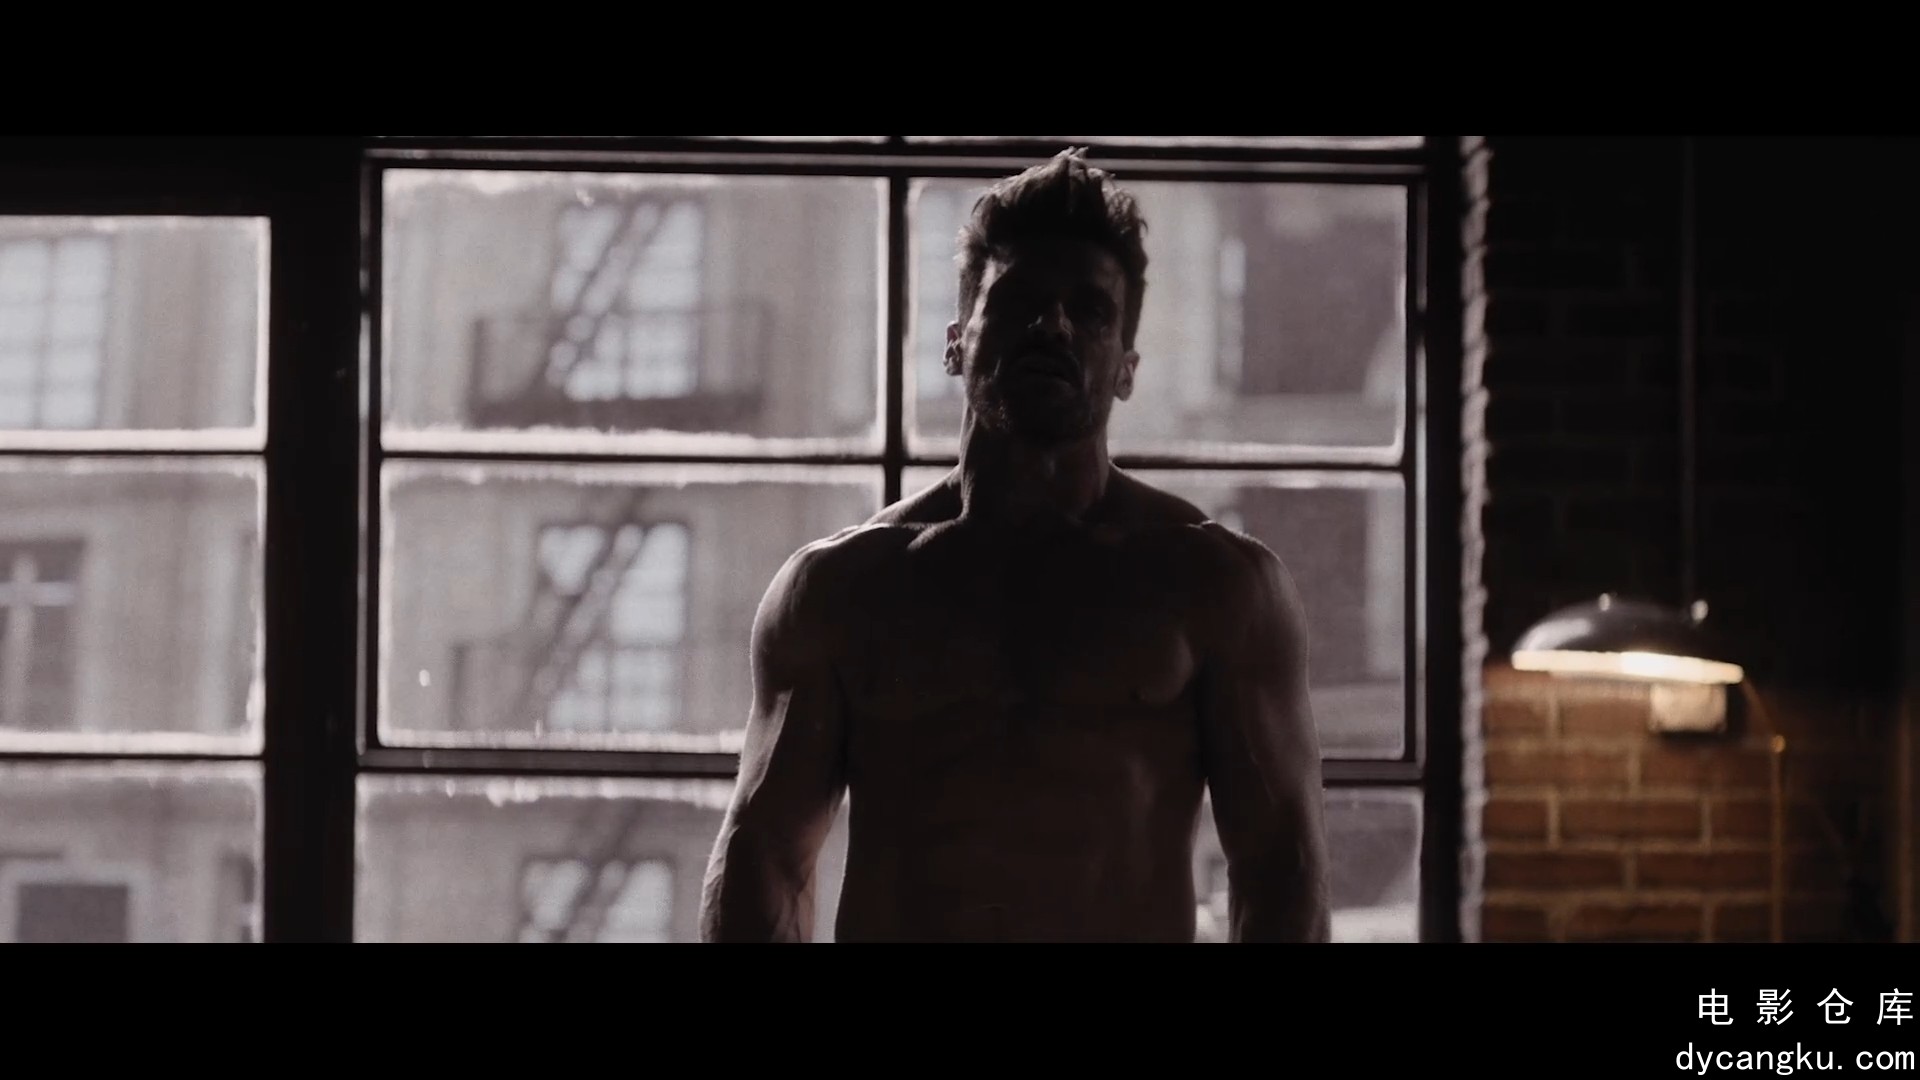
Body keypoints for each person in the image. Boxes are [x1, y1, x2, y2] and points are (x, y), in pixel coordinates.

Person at [700, 148, 1331, 942]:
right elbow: (764, 858)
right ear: (956, 341)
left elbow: (1282, 870)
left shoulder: (1215, 586)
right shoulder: (840, 590)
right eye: (1020, 301)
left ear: (1126, 368)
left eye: (1090, 311)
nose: (1053, 326)